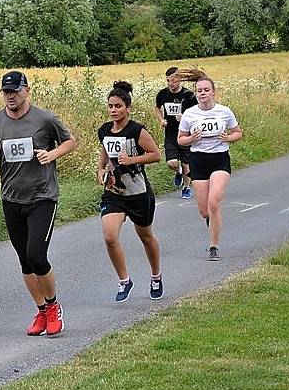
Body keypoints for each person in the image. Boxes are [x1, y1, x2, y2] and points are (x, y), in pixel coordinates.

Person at [0, 71, 76, 336]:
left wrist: (51, 154)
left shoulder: (44, 119)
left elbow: (70, 142)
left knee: (36, 255)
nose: (10, 96)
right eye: (6, 92)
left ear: (26, 91)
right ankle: (41, 311)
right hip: (11, 199)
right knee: (24, 261)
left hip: (42, 197)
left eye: (15, 91)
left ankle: (53, 307)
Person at [98, 81, 163, 302]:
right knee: (109, 236)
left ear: (128, 108)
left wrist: (132, 159)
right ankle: (124, 281)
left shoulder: (137, 130)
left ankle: (156, 276)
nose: (113, 110)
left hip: (138, 192)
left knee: (145, 236)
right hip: (114, 192)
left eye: (118, 106)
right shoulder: (105, 130)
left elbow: (155, 154)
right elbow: (104, 157)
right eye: (110, 106)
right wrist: (100, 171)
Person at [176, 68, 244, 261]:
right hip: (198, 160)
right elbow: (180, 140)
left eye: (206, 90)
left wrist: (228, 137)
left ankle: (213, 247)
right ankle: (213, 222)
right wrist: (192, 138)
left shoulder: (224, 111)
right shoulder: (190, 114)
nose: (203, 93)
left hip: (219, 159)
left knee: (214, 204)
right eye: (200, 90)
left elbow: (238, 132)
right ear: (196, 94)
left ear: (214, 92)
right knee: (204, 210)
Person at [153, 66, 198, 199]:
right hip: (171, 134)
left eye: (173, 80)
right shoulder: (162, 94)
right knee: (171, 163)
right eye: (168, 81)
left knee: (186, 163)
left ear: (179, 79)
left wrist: (184, 116)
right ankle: (178, 171)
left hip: (185, 134)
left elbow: (197, 112)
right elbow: (157, 108)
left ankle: (186, 188)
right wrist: (161, 119)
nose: (171, 84)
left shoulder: (188, 95)